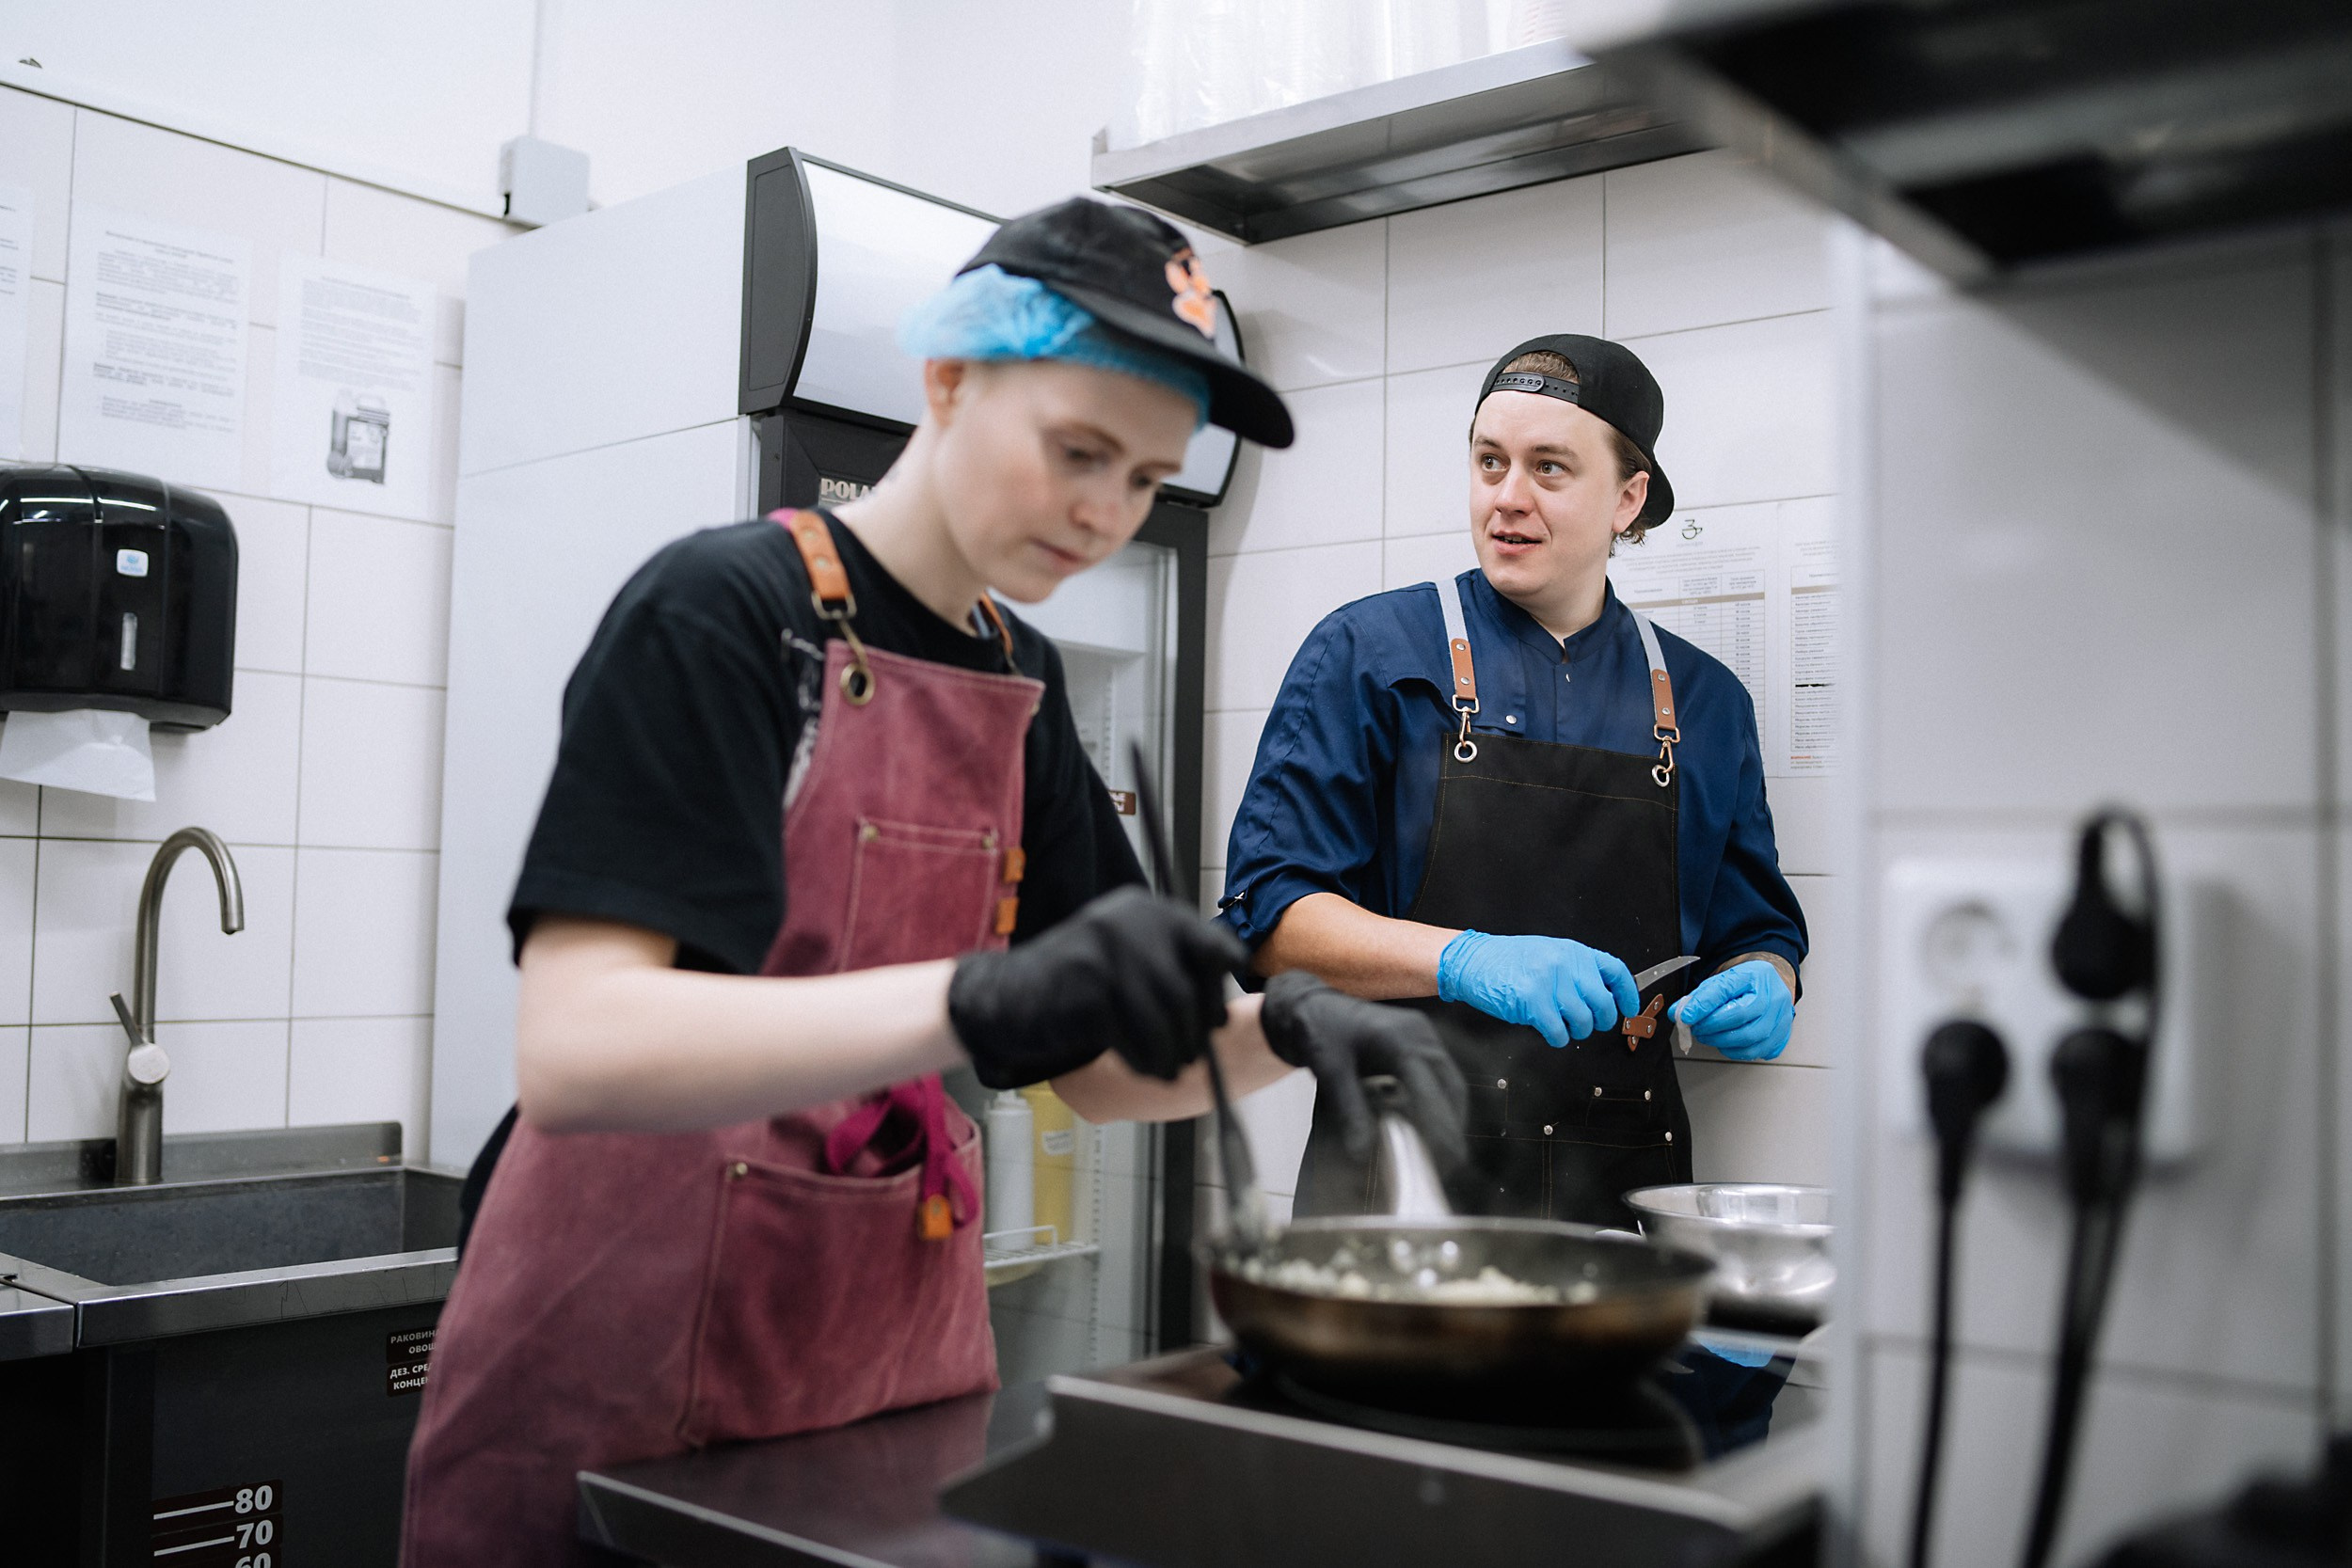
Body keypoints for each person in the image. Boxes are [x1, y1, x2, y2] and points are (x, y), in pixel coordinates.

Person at [401, 198, 1467, 1568]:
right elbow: (577, 1047)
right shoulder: (726, 612)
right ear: (950, 377)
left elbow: (1098, 1068)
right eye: (1078, 451)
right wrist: (977, 994)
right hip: (617, 1374)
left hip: (875, 1377)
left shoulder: (1023, 683)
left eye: (1146, 479)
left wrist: (1288, 1026)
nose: (1105, 513)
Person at [1216, 334, 1807, 1227]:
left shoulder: (1706, 703)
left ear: (1628, 497)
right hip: (1398, 1194)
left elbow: (1755, 926)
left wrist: (1768, 975)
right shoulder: (1370, 655)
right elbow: (1270, 922)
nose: (1507, 497)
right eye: (1490, 461)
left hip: (1623, 1199)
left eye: (1549, 468)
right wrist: (1464, 960)